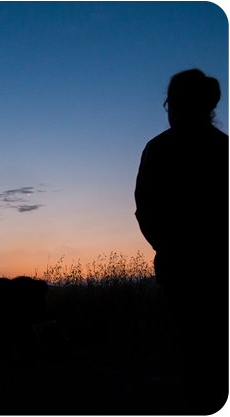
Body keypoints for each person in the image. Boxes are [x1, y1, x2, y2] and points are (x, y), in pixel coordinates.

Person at [135, 69, 229, 415]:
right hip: (222, 267)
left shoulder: (159, 149)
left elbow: (145, 211)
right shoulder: (224, 150)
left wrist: (172, 250)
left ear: (176, 104)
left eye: (169, 104)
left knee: (199, 354)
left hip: (180, 270)